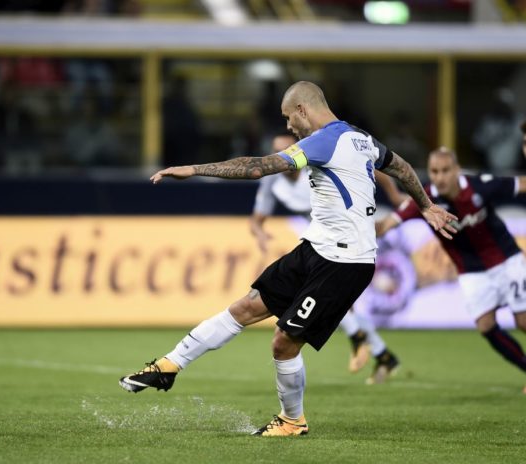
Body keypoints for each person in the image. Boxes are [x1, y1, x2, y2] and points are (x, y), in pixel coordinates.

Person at [119, 81, 456, 437]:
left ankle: (292, 420)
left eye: (288, 117)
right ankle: (169, 365)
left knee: (283, 342)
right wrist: (425, 205)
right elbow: (401, 167)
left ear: (302, 110)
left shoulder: (322, 141)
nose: (288, 126)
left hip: (345, 262)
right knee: (246, 307)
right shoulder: (361, 138)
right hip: (316, 248)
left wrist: (194, 169)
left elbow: (258, 168)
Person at [251, 133, 403, 384]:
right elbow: (257, 220)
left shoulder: (314, 159)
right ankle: (380, 354)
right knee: (336, 299)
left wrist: (394, 195)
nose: (283, 156)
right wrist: (260, 234)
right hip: (326, 237)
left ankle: (364, 341)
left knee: (332, 296)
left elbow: (371, 165)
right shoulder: (272, 180)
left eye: (287, 149)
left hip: (358, 226)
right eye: (278, 151)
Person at [377, 146, 526, 394]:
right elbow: (385, 225)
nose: (440, 177)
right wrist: (359, 226)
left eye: (446, 170)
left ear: (457, 170)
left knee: (522, 321)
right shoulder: (424, 200)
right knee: (485, 326)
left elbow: (520, 184)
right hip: (471, 272)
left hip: (506, 260)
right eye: (434, 171)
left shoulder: (479, 186)